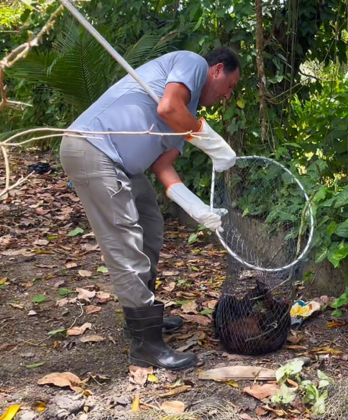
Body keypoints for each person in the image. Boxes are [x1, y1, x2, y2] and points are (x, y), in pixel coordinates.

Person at [59, 47, 240, 371]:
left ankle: (141, 318)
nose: (228, 95)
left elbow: (163, 168)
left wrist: (196, 208)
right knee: (125, 241)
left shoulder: (188, 114)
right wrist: (212, 143)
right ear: (217, 70)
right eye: (230, 86)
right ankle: (146, 345)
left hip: (124, 165)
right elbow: (167, 107)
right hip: (93, 147)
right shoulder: (192, 63)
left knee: (151, 227)